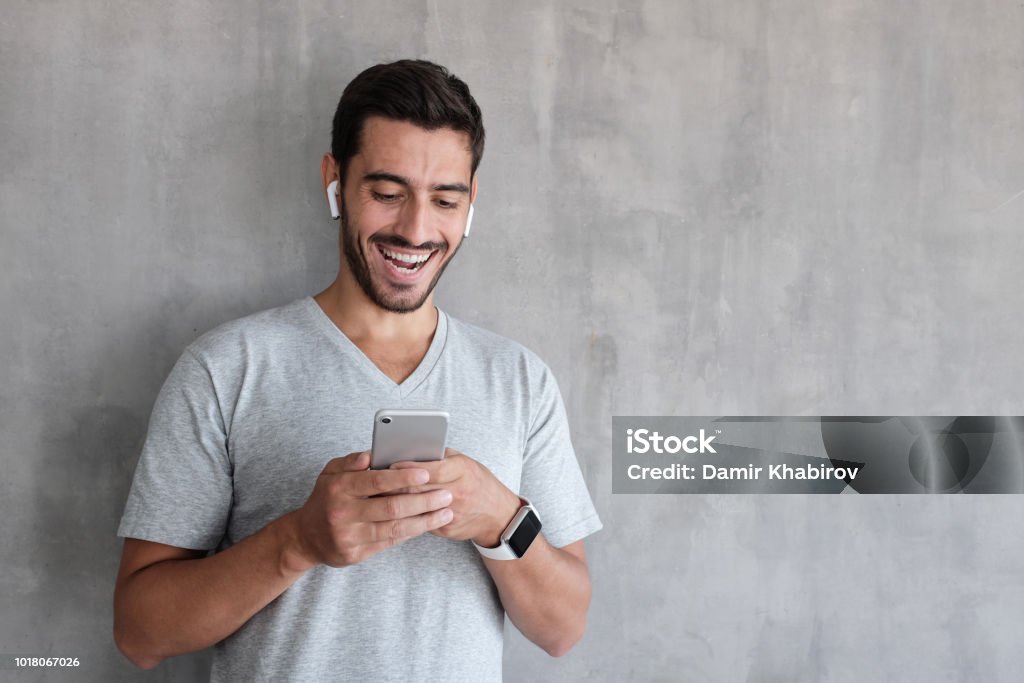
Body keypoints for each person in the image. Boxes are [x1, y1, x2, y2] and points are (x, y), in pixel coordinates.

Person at [113, 59, 601, 681]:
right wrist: (297, 542)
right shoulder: (227, 368)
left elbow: (564, 630)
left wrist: (503, 519)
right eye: (387, 194)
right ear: (335, 180)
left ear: (471, 202)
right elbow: (139, 633)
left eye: (445, 199)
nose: (416, 230)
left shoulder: (520, 380)